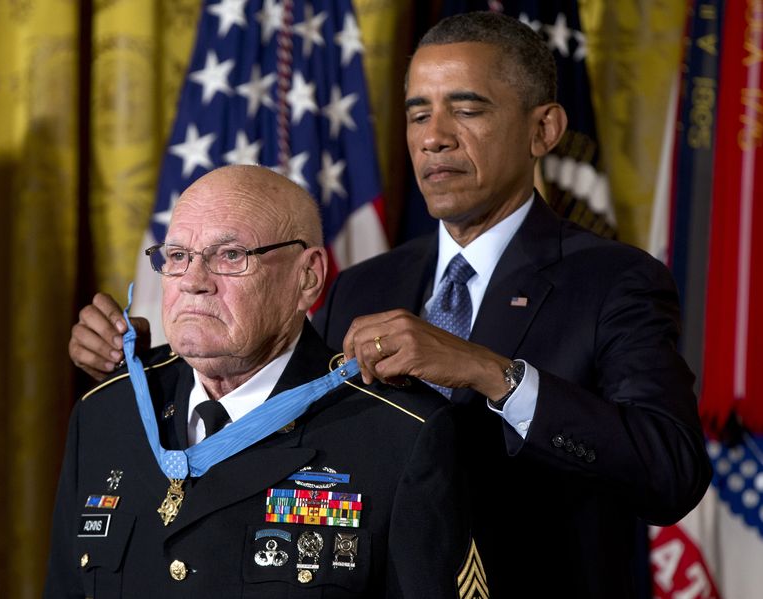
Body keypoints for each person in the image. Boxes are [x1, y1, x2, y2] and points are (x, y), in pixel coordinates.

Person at [67, 12, 712, 598]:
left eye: (467, 110)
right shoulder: (364, 284)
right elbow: (276, 413)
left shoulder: (615, 281)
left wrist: (491, 373)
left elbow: (672, 473)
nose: (435, 138)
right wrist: (151, 368)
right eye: (417, 114)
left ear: (543, 129)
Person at [45, 165, 477, 598]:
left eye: (230, 255)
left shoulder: (398, 433)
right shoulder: (106, 413)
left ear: (307, 277)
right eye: (176, 256)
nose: (193, 282)